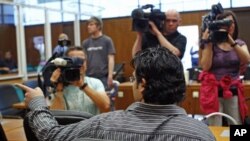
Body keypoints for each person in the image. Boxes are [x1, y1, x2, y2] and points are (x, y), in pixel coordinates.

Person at [16, 47, 215, 141]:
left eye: (134, 78)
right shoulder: (201, 134)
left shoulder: (102, 124)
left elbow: (50, 135)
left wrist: (37, 103)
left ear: (142, 84)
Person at [199, 10, 250, 125]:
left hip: (232, 91)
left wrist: (231, 41)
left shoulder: (239, 43)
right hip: (213, 92)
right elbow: (206, 67)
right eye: (225, 23)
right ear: (218, 25)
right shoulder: (210, 45)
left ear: (235, 24)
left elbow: (247, 59)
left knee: (236, 123)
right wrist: (209, 42)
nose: (229, 26)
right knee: (215, 125)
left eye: (231, 22)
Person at [49, 46, 110, 115]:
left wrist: (83, 85)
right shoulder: (60, 84)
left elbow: (106, 107)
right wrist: (59, 91)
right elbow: (56, 117)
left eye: (81, 60)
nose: (78, 64)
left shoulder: (95, 83)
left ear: (86, 63)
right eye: (74, 60)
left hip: (92, 125)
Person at [82, 16, 116, 91]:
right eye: (88, 25)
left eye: (91, 24)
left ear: (98, 26)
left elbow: (111, 58)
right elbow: (84, 60)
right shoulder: (85, 43)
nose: (88, 27)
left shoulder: (107, 40)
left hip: (103, 77)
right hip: (89, 77)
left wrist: (110, 76)